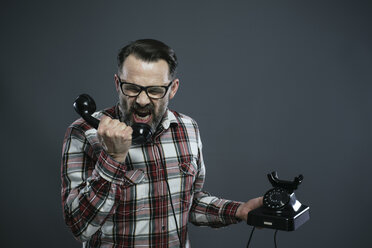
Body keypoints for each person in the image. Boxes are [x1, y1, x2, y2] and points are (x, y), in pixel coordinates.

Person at [61, 39, 262, 248]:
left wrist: (239, 210)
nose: (142, 101)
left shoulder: (187, 128)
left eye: (155, 90)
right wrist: (113, 158)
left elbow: (189, 203)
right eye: (131, 88)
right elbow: (79, 226)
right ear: (117, 84)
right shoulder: (83, 133)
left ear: (172, 89)